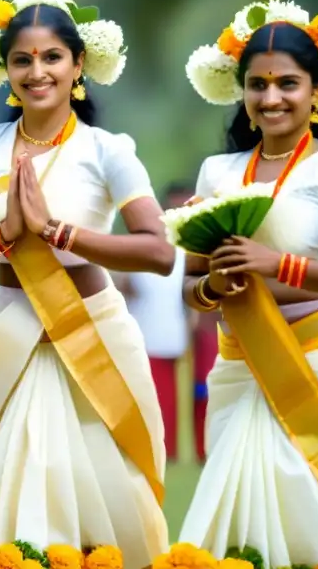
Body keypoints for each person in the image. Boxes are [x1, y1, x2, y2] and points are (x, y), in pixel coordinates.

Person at [0, 0, 171, 567]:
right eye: (22, 60)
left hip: (93, 332)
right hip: (14, 333)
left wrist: (59, 234)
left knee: (107, 476)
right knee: (30, 471)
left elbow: (158, 252)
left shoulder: (108, 149)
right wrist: (7, 235)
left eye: (51, 57)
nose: (37, 72)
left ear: (78, 65)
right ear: (5, 69)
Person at [176, 0, 318, 569]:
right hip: (238, 372)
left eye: (288, 83)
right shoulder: (217, 174)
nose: (271, 98)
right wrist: (217, 286)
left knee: (316, 533)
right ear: (241, 92)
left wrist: (278, 266)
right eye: (258, 84)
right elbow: (192, 286)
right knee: (237, 538)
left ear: (317, 91)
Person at [117, 181, 195, 461]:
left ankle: (168, 451)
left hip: (171, 336)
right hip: (142, 336)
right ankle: (147, 450)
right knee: (144, 398)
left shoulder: (191, 250)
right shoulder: (145, 244)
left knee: (170, 399)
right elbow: (123, 284)